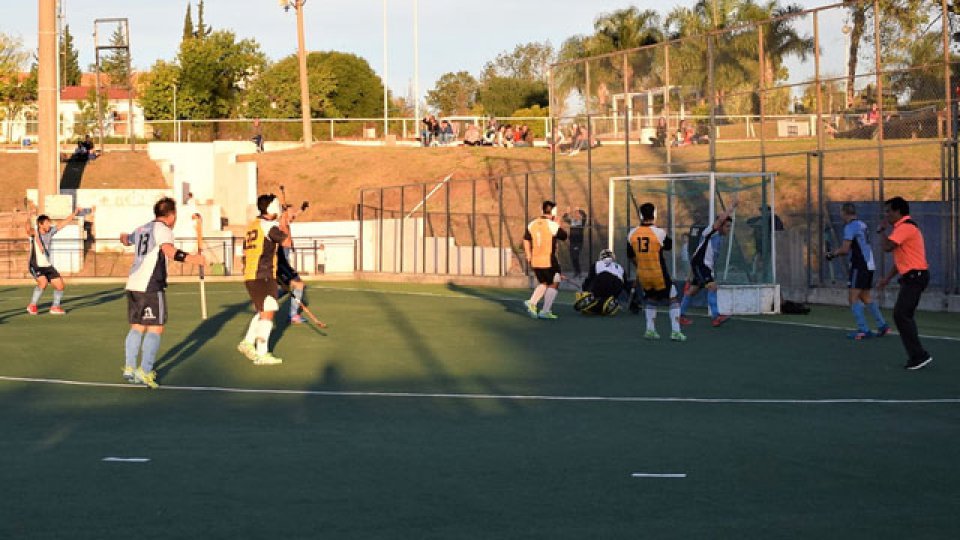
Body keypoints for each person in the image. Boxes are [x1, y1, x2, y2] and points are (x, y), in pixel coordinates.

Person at [120, 197, 206, 388]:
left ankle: (129, 367)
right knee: (156, 327)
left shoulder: (143, 228)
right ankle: (146, 370)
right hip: (150, 284)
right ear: (171, 215)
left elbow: (126, 239)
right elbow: (169, 251)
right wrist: (194, 259)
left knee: (137, 326)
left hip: (133, 282)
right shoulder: (164, 230)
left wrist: (124, 236)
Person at [877, 196, 933, 370]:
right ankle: (918, 355)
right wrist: (887, 278)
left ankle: (919, 355)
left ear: (898, 212)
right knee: (903, 315)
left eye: (889, 211)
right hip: (913, 276)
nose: (886, 215)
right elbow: (900, 260)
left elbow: (887, 248)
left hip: (916, 276)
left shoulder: (906, 227)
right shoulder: (902, 229)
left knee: (901, 314)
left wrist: (881, 232)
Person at [825, 203, 891, 340]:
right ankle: (882, 325)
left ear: (844, 213)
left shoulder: (850, 227)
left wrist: (832, 254)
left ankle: (863, 329)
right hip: (869, 264)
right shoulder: (862, 224)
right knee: (865, 297)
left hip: (860, 265)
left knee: (852, 297)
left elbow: (845, 249)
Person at [237, 194, 287, 365]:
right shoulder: (269, 226)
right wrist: (285, 222)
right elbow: (285, 241)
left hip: (252, 274)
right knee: (269, 311)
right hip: (262, 275)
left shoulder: (253, 225)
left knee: (263, 310)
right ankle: (261, 352)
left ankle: (247, 343)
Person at [628, 202, 686, 341]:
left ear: (641, 216)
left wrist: (640, 264)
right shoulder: (659, 232)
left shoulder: (632, 233)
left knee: (651, 298)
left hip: (643, 273)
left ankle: (650, 330)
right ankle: (676, 331)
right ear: (654, 215)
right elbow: (669, 246)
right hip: (658, 272)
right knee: (673, 296)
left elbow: (630, 255)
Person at [678, 201, 739, 327]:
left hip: (702, 265)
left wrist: (691, 273)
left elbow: (699, 253)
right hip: (701, 265)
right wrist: (731, 208)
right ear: (720, 225)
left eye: (729, 227)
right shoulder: (710, 232)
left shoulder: (720, 238)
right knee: (712, 287)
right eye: (727, 226)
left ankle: (680, 315)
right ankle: (716, 317)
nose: (728, 229)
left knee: (692, 291)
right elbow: (720, 219)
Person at [26, 207, 85, 315]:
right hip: (35, 265)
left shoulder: (50, 232)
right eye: (47, 223)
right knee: (43, 283)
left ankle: (55, 307)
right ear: (40, 224)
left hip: (47, 265)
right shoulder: (34, 233)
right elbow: (27, 230)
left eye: (49, 223)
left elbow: (63, 224)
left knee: (60, 285)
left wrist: (74, 213)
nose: (49, 225)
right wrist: (28, 216)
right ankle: (32, 305)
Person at [522, 200, 568, 319]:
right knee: (555, 281)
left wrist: (528, 255)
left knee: (545, 283)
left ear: (542, 210)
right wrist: (558, 224)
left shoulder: (532, 224)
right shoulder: (551, 225)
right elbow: (564, 236)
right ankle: (543, 309)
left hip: (535, 260)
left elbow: (526, 239)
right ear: (553, 212)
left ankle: (532, 303)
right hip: (548, 259)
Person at [574, 249, 624, 316]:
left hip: (603, 278)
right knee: (608, 294)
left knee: (596, 287)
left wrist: (585, 290)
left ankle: (592, 299)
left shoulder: (597, 264)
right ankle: (609, 300)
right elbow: (624, 283)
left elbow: (589, 280)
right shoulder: (620, 267)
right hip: (617, 284)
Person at [278, 203, 306, 324]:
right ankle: (293, 315)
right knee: (297, 283)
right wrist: (283, 214)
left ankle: (265, 303)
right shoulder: (281, 221)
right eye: (290, 210)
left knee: (286, 288)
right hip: (282, 253)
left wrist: (301, 209)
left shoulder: (286, 219)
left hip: (285, 252)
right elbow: (283, 224)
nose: (293, 213)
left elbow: (293, 216)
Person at [562, 206, 587, 277]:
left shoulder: (581, 222)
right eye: (575, 214)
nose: (576, 216)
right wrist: (567, 212)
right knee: (572, 257)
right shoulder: (572, 222)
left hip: (578, 243)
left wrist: (579, 210)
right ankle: (577, 272)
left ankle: (578, 272)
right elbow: (564, 218)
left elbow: (585, 215)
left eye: (578, 215)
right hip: (572, 243)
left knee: (575, 256)